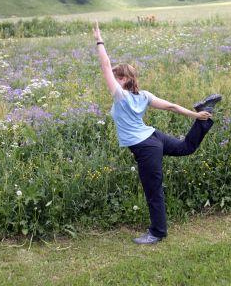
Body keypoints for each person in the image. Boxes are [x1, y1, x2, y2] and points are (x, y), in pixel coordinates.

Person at [93, 21, 222, 245]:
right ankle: (206, 112)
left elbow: (105, 66)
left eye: (116, 76)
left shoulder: (120, 96)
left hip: (145, 147)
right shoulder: (143, 95)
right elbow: (172, 106)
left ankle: (157, 232)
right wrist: (196, 115)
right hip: (153, 137)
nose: (112, 79)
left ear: (123, 79)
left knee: (153, 191)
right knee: (186, 148)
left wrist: (99, 39)